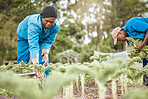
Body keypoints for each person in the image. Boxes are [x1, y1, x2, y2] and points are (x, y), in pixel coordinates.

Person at [16, 6, 60, 77]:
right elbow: (33, 45)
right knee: (23, 62)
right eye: (46, 21)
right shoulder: (34, 23)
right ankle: (20, 83)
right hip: (24, 37)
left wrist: (45, 53)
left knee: (44, 61)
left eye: (51, 22)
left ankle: (44, 84)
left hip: (40, 38)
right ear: (41, 17)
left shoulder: (56, 26)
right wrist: (35, 64)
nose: (48, 24)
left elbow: (48, 41)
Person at [111, 17, 148, 86]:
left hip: (146, 41)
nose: (121, 41)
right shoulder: (129, 40)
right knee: (145, 62)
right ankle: (146, 83)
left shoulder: (131, 24)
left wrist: (142, 44)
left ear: (120, 33)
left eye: (119, 39)